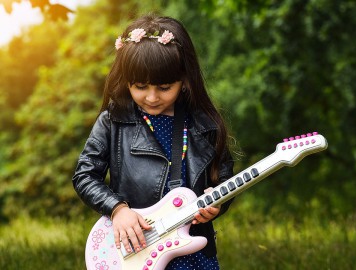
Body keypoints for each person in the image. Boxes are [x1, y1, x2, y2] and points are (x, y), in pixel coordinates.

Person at [72, 14, 234, 269]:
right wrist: (117, 209)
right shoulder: (113, 121)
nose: (152, 97)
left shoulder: (205, 125)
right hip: (136, 250)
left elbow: (224, 179)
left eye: (164, 87)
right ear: (126, 81)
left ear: (185, 79)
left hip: (196, 254)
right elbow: (84, 176)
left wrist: (218, 202)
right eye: (140, 86)